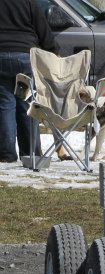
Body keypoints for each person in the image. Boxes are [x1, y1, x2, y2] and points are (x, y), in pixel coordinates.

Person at [0, 0, 53, 163]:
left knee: (5, 105)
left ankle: (6, 155)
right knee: (27, 105)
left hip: (1, 55)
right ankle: (30, 153)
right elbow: (43, 29)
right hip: (25, 56)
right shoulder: (28, 2)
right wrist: (52, 50)